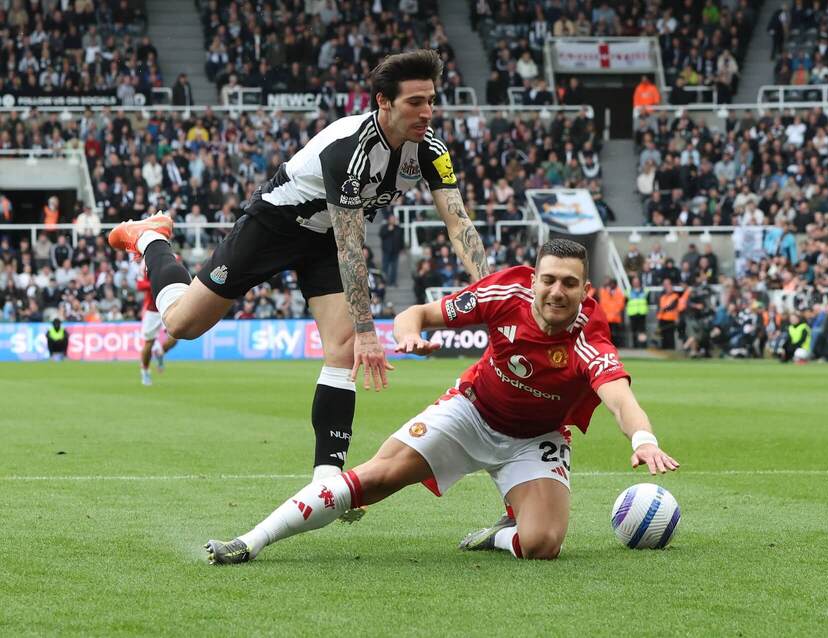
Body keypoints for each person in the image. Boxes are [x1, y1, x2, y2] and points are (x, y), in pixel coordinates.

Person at [107, 50, 489, 497]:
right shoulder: (351, 149)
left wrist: (494, 293)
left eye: (432, 100)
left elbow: (458, 224)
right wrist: (368, 331)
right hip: (276, 225)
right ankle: (151, 238)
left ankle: (326, 482)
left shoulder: (431, 151)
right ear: (384, 102)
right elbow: (352, 247)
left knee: (341, 348)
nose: (427, 112)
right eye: (415, 102)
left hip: (325, 240)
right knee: (181, 325)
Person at [205, 239, 679, 564]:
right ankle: (251, 540)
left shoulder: (589, 339)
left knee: (543, 545)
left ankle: (498, 535)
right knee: (377, 477)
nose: (557, 291)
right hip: (471, 412)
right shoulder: (502, 292)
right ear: (534, 279)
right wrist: (409, 336)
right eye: (549, 280)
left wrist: (643, 438)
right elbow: (417, 313)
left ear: (585, 291)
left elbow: (619, 398)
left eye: (569, 284)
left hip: (536, 439)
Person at [137, 262, 177, 386]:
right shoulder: (145, 264)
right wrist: (157, 284)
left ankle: (160, 352)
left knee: (175, 337)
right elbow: (140, 285)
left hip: (168, 306)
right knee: (149, 343)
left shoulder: (174, 259)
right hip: (152, 310)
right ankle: (145, 370)